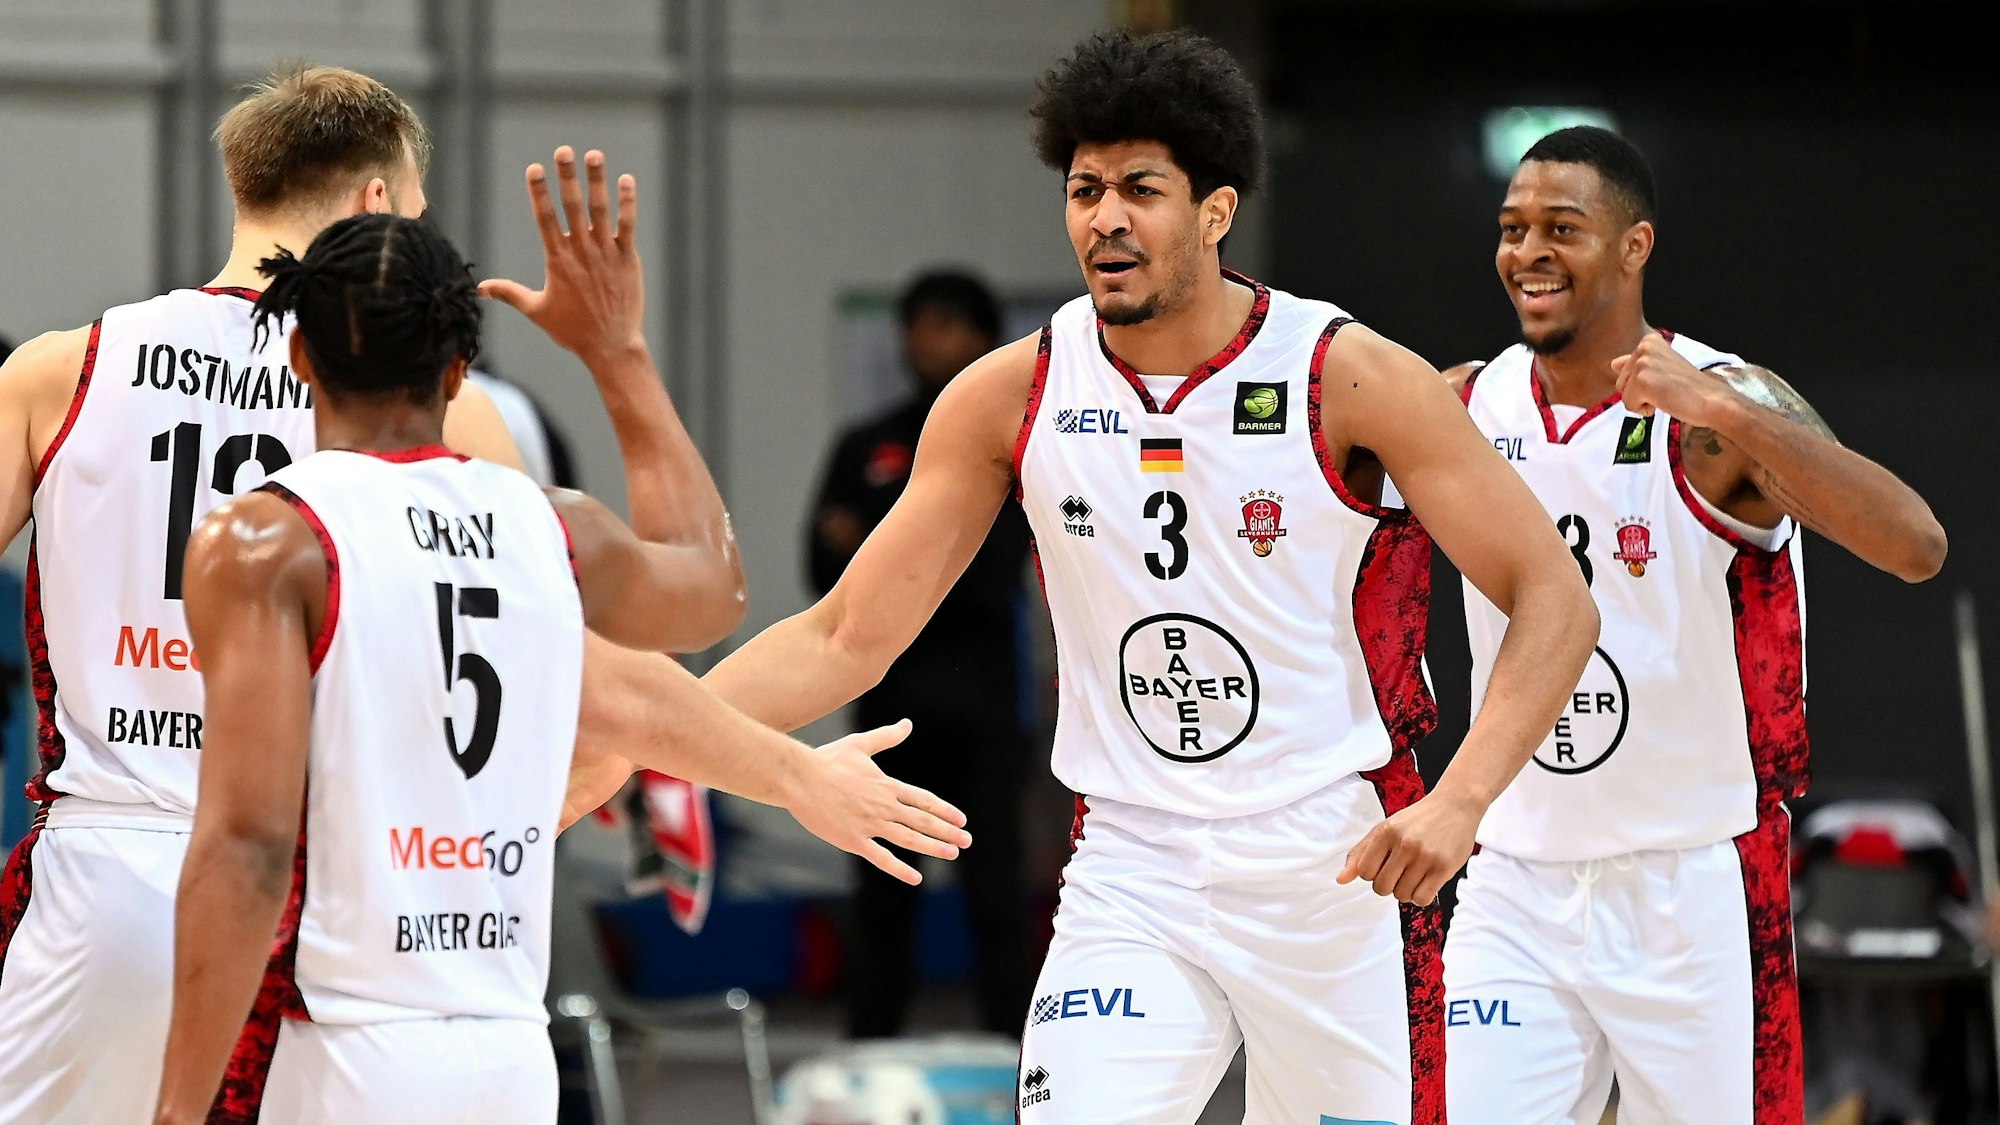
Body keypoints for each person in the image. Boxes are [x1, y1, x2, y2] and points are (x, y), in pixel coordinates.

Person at [0, 65, 958, 1123]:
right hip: (354, 913)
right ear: (376, 208)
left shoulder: (62, 368)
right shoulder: (462, 433)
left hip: (107, 878)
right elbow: (608, 668)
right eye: (414, 212)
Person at [689, 30, 1598, 1125]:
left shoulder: (1342, 373)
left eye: (1139, 189)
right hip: (1133, 863)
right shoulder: (1008, 394)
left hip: (1334, 864)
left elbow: (1553, 597)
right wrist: (637, 739)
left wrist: (1460, 802)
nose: (1104, 217)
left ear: (1215, 211)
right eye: (1083, 190)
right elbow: (842, 638)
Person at [1439, 125, 1947, 1125]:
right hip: (1513, 880)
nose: (1526, 252)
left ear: (1633, 247)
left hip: (1686, 887)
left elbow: (1912, 543)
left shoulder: (1717, 406)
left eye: (1560, 228)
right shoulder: (1465, 402)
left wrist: (1736, 412)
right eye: (1510, 229)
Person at [809, 269, 1034, 1038]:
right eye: (915, 324)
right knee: (881, 900)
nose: (924, 341)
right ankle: (866, 1060)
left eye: (944, 325)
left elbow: (986, 577)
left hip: (984, 713)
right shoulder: (866, 441)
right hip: (889, 709)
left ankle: (1024, 1068)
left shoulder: (1015, 448)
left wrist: (875, 542)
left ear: (980, 338)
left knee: (997, 899)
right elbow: (824, 575)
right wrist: (911, 557)